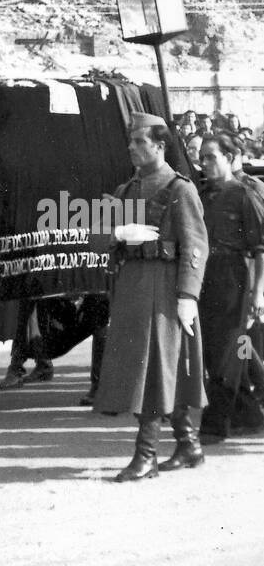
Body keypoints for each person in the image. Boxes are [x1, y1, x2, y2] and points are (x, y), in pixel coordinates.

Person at [94, 113, 208, 479]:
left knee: (155, 369)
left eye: (139, 142)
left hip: (164, 288)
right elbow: (95, 236)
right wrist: (118, 233)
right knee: (157, 368)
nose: (131, 147)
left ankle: (147, 455)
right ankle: (189, 445)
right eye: (130, 142)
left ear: (159, 146)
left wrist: (188, 295)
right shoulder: (126, 191)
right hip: (131, 289)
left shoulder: (180, 189)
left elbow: (195, 246)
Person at [196, 133, 264, 443]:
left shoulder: (244, 194)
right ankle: (248, 415)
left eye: (212, 156)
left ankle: (215, 424)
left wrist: (258, 293)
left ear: (230, 157)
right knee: (215, 351)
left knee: (229, 351)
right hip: (206, 276)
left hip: (234, 276)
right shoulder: (202, 195)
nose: (205, 163)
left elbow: (261, 249)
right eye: (203, 157)